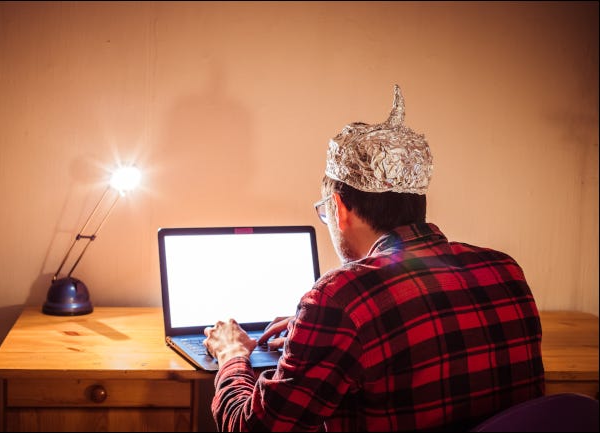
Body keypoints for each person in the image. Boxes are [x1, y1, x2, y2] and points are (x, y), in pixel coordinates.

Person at [203, 84, 545, 432]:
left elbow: (253, 428)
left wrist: (232, 353)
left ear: (338, 209)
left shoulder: (340, 298)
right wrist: (313, 331)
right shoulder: (504, 269)